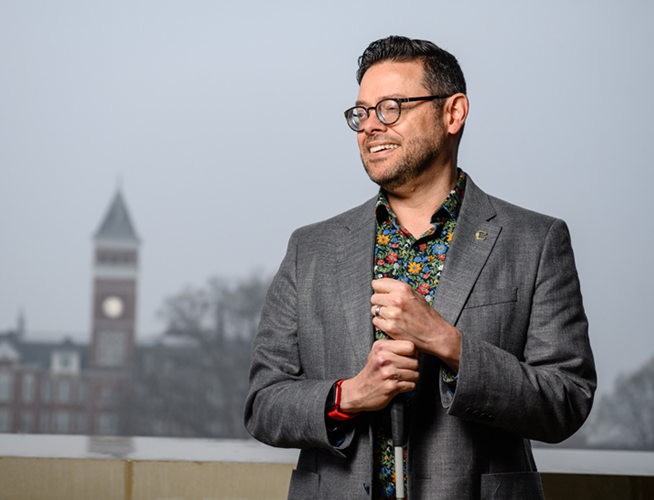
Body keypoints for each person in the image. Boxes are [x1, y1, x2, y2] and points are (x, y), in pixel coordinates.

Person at [244, 36, 596, 500]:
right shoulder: (310, 248)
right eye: (361, 113)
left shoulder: (535, 241)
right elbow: (263, 402)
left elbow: (566, 399)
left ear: (453, 113)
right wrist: (347, 396)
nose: (370, 127)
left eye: (391, 107)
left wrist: (449, 345)